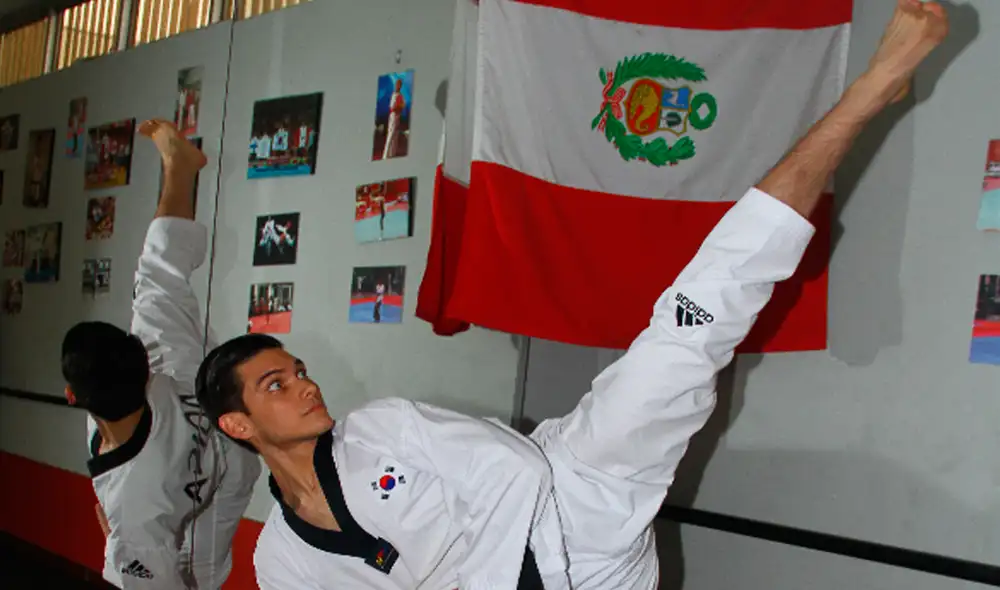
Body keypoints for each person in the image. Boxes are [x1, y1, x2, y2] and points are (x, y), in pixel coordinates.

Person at [195, 2, 949, 588]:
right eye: (276, 384)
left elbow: (515, 472)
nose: (304, 384)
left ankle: (867, 91)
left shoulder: (382, 432)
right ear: (236, 423)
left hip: (584, 480)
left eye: (294, 368)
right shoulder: (288, 565)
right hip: (600, 580)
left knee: (690, 329)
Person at [61, 120, 261, 589]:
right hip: (222, 467)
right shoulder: (133, 510)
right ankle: (180, 167)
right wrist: (122, 553)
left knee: (157, 279)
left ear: (73, 396)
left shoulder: (130, 510)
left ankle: (181, 164)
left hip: (205, 412)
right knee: (196, 573)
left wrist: (119, 552)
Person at [381, 77, 406, 160]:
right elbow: (392, 107)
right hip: (393, 115)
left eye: (399, 84)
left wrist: (400, 108)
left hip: (397, 116)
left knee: (395, 134)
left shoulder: (400, 95)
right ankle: (385, 155)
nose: (398, 86)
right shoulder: (394, 94)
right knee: (391, 134)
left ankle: (392, 153)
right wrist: (397, 108)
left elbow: (402, 105)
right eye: (397, 84)